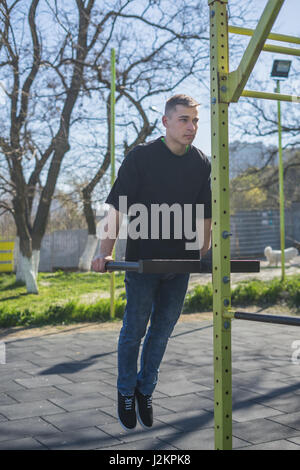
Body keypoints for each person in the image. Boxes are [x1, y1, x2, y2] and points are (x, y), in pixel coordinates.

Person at [92, 94, 212, 431]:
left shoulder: (202, 162)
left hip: (181, 264)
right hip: (144, 262)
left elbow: (205, 211)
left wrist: (203, 250)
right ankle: (125, 391)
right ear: (166, 122)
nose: (192, 127)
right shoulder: (141, 158)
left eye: (195, 121)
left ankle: (146, 389)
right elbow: (117, 206)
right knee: (134, 330)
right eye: (184, 120)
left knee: (162, 332)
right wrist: (104, 251)